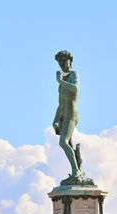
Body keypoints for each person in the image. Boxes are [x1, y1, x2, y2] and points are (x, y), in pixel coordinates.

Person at [52, 50, 84, 183]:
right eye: (59, 62)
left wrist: (60, 81)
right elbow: (60, 104)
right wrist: (54, 121)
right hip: (62, 115)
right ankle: (77, 171)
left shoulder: (73, 74)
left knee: (63, 142)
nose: (62, 64)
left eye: (64, 61)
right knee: (68, 145)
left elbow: (75, 89)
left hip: (71, 114)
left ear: (70, 60)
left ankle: (76, 172)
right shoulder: (63, 78)